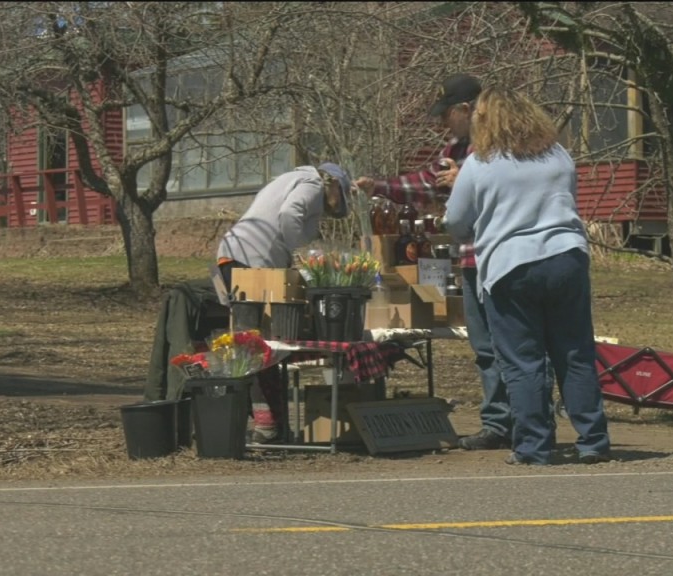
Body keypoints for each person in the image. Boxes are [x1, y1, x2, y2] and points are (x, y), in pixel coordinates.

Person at [443, 86, 611, 465]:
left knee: (523, 360)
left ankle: (534, 445)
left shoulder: (480, 163)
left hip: (510, 266)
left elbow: (455, 221)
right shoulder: (557, 155)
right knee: (574, 352)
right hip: (566, 256)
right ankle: (593, 440)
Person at [355, 73, 513, 451]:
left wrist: (468, 179)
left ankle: (528, 422)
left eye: (447, 115)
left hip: (505, 255)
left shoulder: (505, 141)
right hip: (471, 256)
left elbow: (513, 182)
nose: (443, 123)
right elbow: (427, 183)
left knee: (514, 344)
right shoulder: (457, 147)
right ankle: (498, 423)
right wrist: (378, 186)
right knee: (485, 345)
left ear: (466, 109)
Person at [144, 163, 352, 441]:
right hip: (251, 261)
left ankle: (261, 423)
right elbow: (290, 214)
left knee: (254, 344)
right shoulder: (313, 184)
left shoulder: (289, 178)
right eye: (338, 199)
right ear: (335, 184)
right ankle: (250, 423)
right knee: (250, 346)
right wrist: (300, 250)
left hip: (239, 256)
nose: (331, 208)